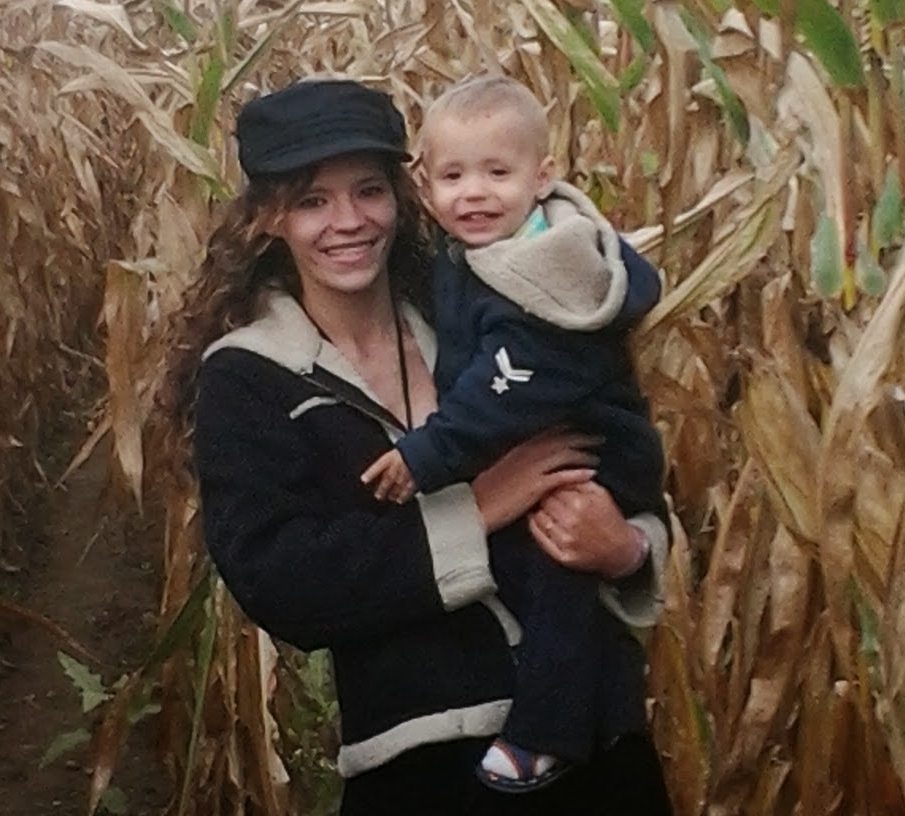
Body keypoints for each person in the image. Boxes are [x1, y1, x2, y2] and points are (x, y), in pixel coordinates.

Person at [165, 77, 672, 815]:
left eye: (369, 191)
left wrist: (626, 551)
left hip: (597, 738)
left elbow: (616, 444)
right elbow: (284, 582)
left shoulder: (486, 308)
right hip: (424, 764)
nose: (348, 221)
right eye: (312, 201)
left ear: (404, 198)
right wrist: (481, 508)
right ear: (270, 217)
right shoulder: (248, 376)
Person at [360, 75, 668, 791]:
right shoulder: (482, 249)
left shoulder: (543, 273)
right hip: (549, 444)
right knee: (529, 572)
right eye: (453, 176)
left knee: (556, 579)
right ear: (424, 185)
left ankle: (546, 734)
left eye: (497, 173)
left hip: (593, 455)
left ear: (542, 176)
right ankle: (593, 714)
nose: (473, 193)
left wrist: (427, 454)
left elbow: (510, 383)